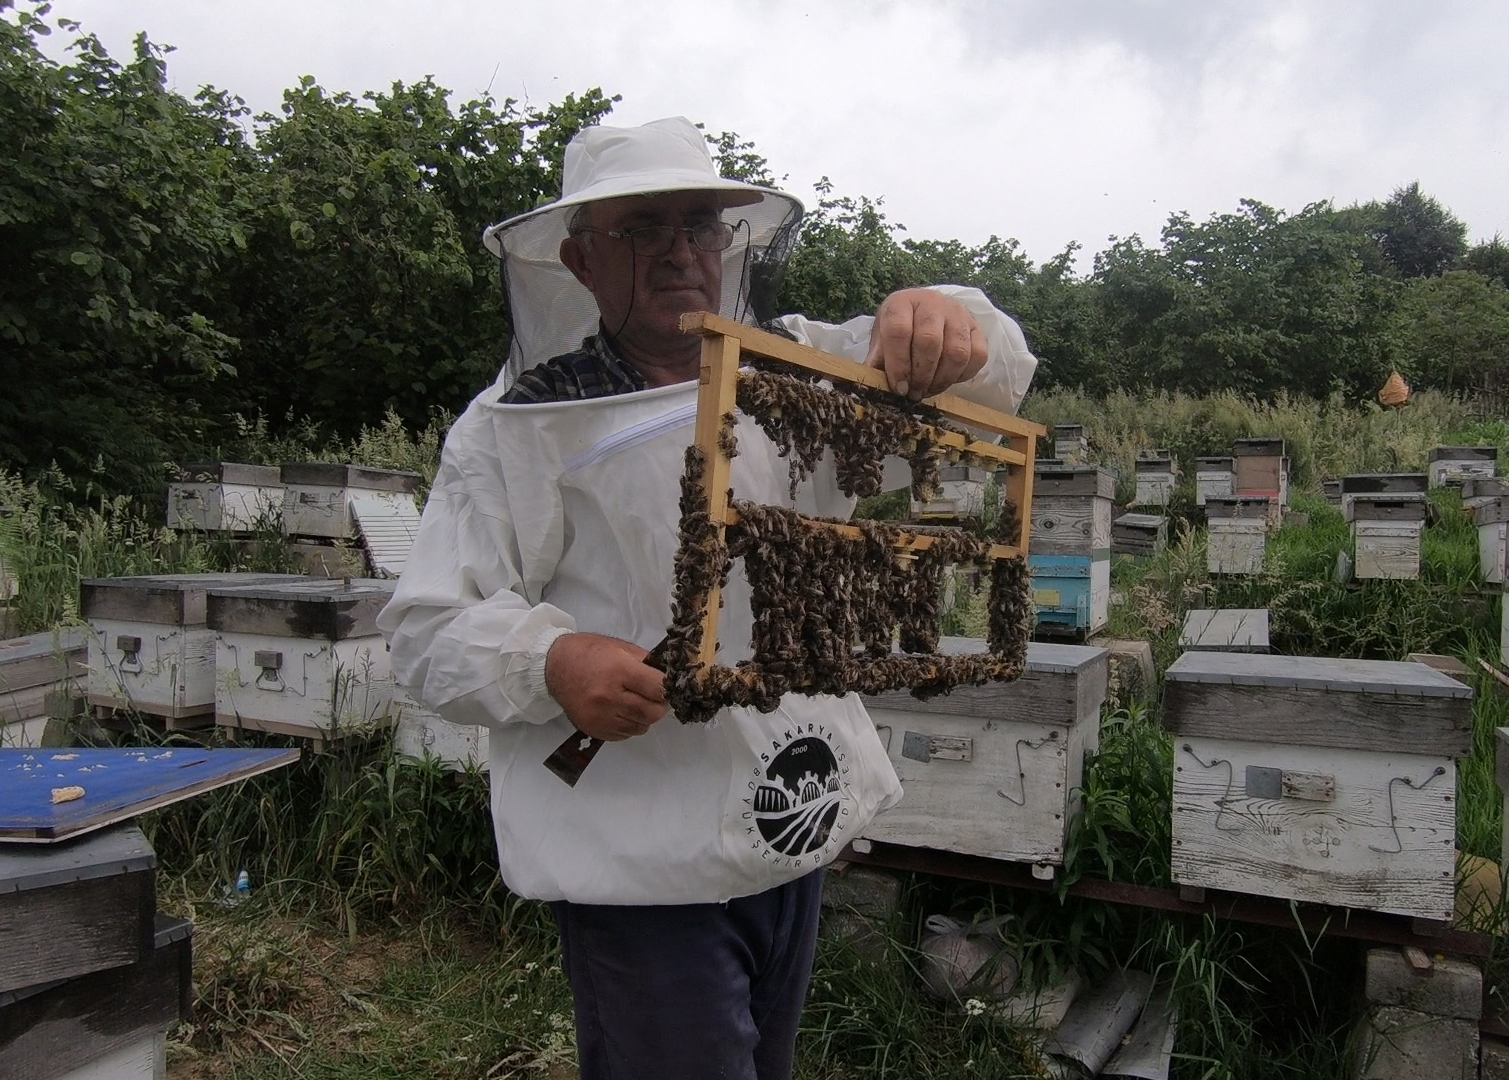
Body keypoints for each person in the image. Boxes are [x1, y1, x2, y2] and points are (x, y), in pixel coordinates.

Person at [379, 116, 1037, 1080]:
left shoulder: (808, 366)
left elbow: (997, 376)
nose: (681, 251)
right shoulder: (514, 428)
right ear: (580, 260)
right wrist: (551, 662)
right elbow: (426, 629)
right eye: (644, 228)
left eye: (700, 225)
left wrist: (940, 315)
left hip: (791, 816)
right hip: (638, 853)